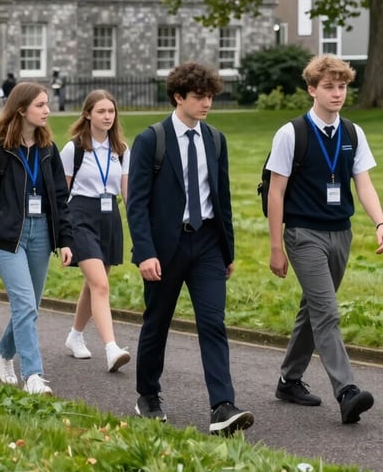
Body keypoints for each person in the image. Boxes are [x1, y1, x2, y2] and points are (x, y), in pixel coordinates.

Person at [127, 62, 254, 435]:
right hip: (166, 248)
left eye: (211, 96)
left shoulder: (216, 139)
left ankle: (222, 406)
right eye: (200, 97)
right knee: (158, 322)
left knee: (213, 322)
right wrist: (145, 252)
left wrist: (228, 251)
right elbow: (136, 204)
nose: (207, 103)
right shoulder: (152, 139)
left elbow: (223, 198)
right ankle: (147, 396)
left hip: (208, 244)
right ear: (178, 97)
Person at [267, 54, 383, 424]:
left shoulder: (352, 132)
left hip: (341, 233)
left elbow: (363, 183)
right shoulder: (292, 133)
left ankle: (289, 379)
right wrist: (276, 247)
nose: (337, 93)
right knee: (328, 311)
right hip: (304, 235)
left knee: (313, 310)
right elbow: (275, 192)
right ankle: (347, 391)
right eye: (329, 86)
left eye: (343, 86)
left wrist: (381, 223)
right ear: (312, 89)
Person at [0, 82, 74, 394]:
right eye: (41, 105)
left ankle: (2, 354)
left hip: (41, 232)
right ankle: (34, 376)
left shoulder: (48, 150)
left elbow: (59, 197)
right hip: (7, 237)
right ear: (22, 109)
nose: (47, 111)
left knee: (30, 307)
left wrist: (65, 239)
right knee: (25, 304)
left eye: (47, 104)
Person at [61, 89, 131, 372]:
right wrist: (62, 234)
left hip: (109, 217)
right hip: (80, 216)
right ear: (88, 114)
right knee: (101, 285)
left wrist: (141, 230)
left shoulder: (122, 150)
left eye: (111, 111)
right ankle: (111, 348)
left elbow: (127, 194)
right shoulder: (73, 149)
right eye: (101, 111)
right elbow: (61, 193)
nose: (107, 117)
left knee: (94, 285)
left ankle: (75, 336)